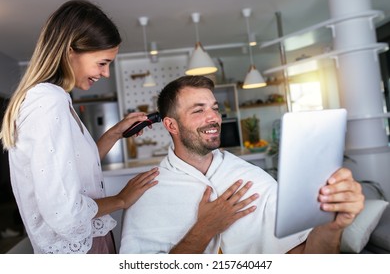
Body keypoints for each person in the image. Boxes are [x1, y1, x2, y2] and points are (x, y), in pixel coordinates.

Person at [120, 75, 364, 254]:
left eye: (215, 109)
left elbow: (305, 257)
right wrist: (206, 227)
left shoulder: (251, 177)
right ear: (171, 125)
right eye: (198, 110)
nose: (214, 117)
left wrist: (332, 226)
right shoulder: (148, 191)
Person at [0, 0, 162, 254]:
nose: (106, 73)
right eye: (102, 63)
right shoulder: (48, 102)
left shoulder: (55, 99)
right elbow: (64, 213)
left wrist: (114, 134)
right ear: (70, 51)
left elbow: (68, 172)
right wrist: (122, 199)